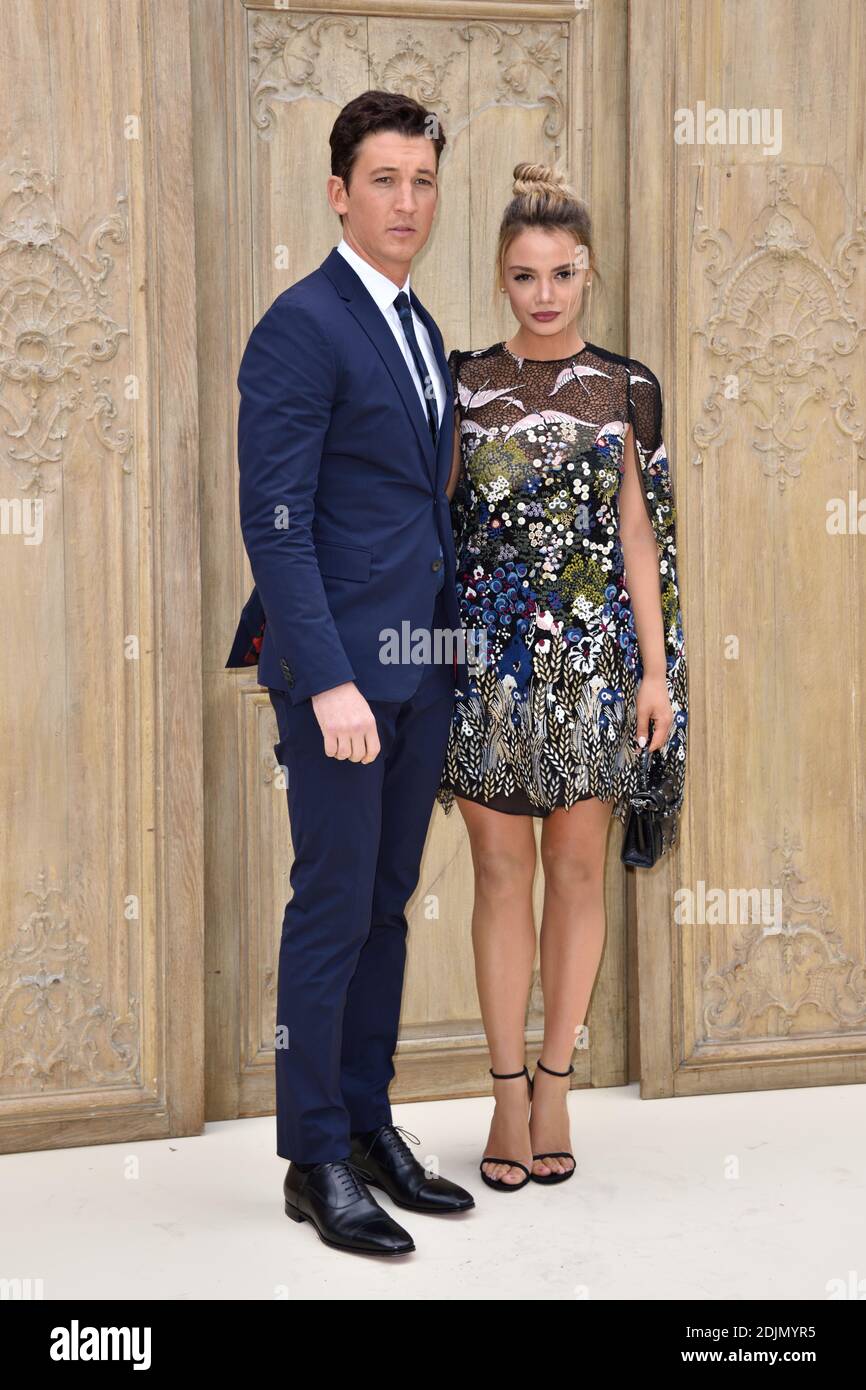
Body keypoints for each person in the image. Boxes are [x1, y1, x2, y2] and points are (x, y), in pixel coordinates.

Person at [226, 90, 475, 1257]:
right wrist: (324, 679)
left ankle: (370, 1126)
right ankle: (312, 1154)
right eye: (383, 180)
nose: (405, 202)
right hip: (335, 676)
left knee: (384, 909)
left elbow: (418, 508)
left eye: (421, 181)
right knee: (329, 910)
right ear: (338, 191)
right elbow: (275, 524)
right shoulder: (300, 324)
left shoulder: (421, 328)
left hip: (418, 669)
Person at [436, 163, 689, 1191]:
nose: (543, 292)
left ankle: (554, 1081)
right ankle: (502, 1094)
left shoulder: (627, 390)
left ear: (587, 275)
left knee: (577, 874)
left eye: (561, 273)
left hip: (592, 664)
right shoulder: (458, 385)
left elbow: (639, 535)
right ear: (501, 278)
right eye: (524, 273)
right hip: (488, 666)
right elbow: (433, 527)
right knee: (501, 877)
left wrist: (657, 672)